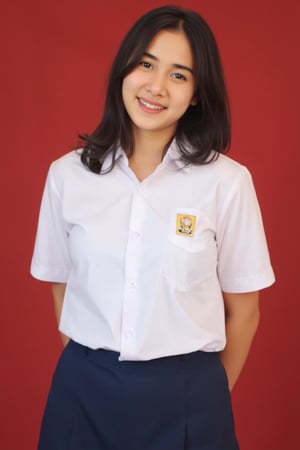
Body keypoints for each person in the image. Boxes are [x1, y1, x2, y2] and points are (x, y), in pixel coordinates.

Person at [31, 5, 275, 450]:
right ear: (124, 69)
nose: (156, 86)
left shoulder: (227, 183)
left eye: (179, 75)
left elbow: (245, 312)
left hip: (189, 397)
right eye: (146, 64)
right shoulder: (67, 175)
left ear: (198, 93)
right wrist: (96, 365)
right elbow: (62, 286)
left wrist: (202, 396)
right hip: (83, 391)